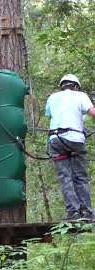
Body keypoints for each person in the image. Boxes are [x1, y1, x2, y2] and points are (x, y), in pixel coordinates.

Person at [45, 74, 95, 222]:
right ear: (76, 86)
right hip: (74, 140)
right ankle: (87, 212)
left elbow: (52, 115)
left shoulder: (52, 97)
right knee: (80, 176)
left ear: (62, 86)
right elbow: (92, 112)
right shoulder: (80, 95)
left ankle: (73, 212)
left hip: (56, 140)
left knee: (65, 176)